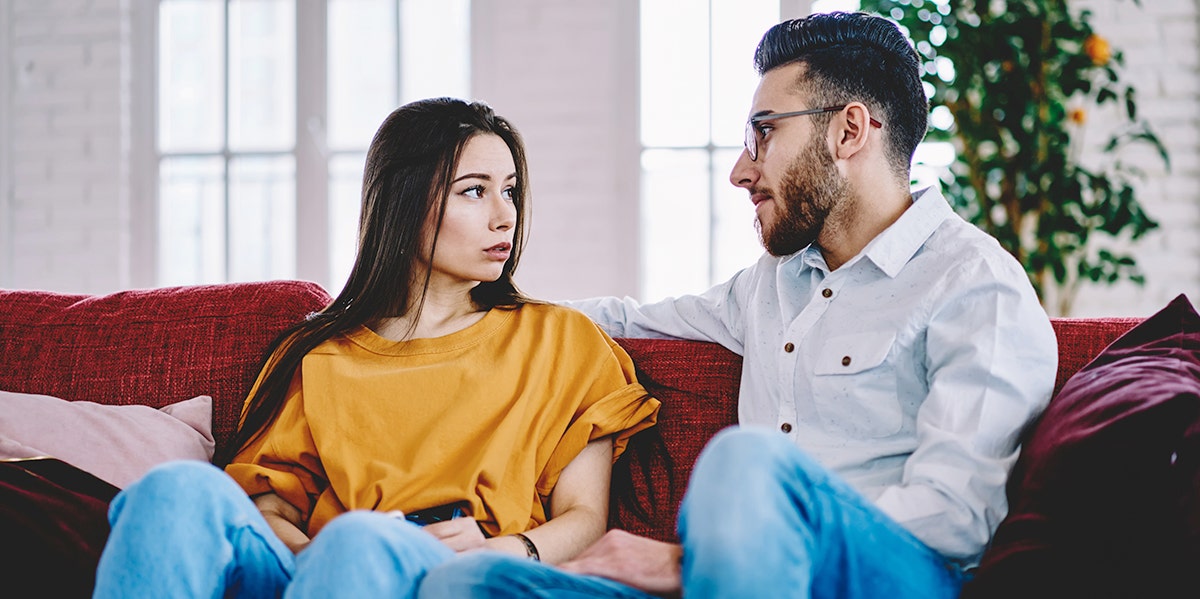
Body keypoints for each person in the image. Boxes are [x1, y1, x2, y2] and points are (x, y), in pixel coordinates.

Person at [417, 11, 1057, 599]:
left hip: (896, 575)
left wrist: (685, 562)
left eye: (763, 133)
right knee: (471, 581)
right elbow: (623, 319)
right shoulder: (773, 283)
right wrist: (447, 313)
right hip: (729, 577)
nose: (741, 172)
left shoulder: (975, 284)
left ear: (849, 130)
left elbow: (955, 518)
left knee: (745, 460)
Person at [91, 98, 661, 598]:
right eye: (475, 191)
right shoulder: (322, 355)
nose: (504, 214)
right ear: (406, 203)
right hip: (321, 568)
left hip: (453, 571)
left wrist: (508, 550)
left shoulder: (561, 341)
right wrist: (321, 555)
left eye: (510, 190)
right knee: (173, 488)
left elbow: (585, 516)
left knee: (362, 538)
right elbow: (273, 509)